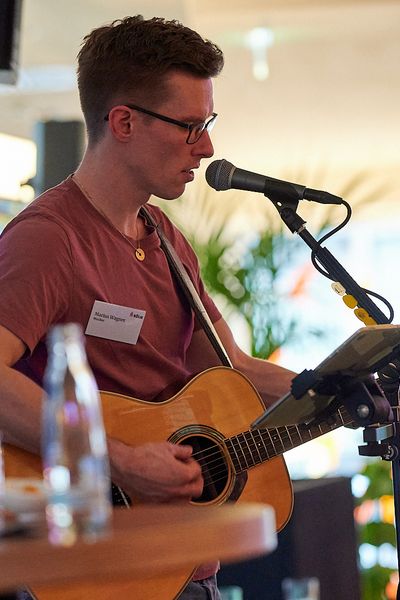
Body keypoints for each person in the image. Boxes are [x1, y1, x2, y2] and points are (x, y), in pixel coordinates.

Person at [0, 15, 295, 599]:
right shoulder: (48, 239)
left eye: (206, 124)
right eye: (189, 126)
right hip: (95, 565)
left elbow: (232, 369)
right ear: (124, 122)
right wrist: (125, 461)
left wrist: (338, 386)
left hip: (180, 569)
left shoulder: (163, 236)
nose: (207, 147)